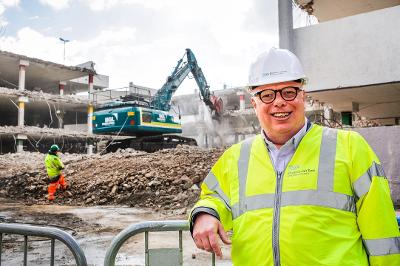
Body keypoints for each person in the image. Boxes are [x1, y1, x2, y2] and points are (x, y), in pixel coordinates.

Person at [189, 47, 400, 265]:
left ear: (303, 96)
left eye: (289, 91)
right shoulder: (236, 157)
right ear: (254, 104)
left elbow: (382, 235)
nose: (279, 102)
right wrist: (205, 213)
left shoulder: (350, 147)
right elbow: (213, 197)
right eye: (267, 95)